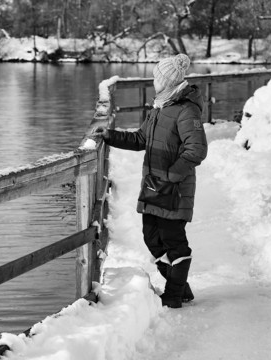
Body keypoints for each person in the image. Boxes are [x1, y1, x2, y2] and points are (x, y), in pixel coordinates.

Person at [94, 54, 208, 308]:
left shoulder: (186, 110)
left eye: (157, 77)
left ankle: (175, 295)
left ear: (167, 81)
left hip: (174, 189)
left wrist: (171, 175)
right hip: (154, 185)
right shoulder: (160, 108)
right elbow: (140, 140)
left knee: (174, 241)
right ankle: (181, 287)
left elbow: (196, 150)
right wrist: (110, 135)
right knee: (151, 238)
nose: (154, 81)